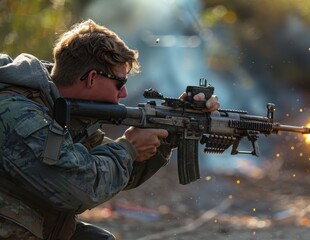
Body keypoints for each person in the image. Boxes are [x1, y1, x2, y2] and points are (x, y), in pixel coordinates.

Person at [0, 19, 220, 239]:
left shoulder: (59, 111)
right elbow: (80, 188)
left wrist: (168, 131)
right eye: (120, 84)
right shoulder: (19, 113)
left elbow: (113, 172)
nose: (123, 94)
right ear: (92, 78)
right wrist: (129, 147)